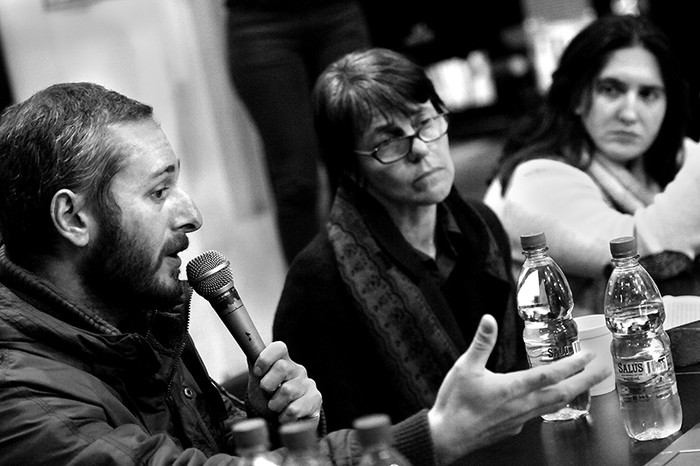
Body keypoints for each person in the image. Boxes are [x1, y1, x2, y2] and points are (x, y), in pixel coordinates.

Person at [0, 82, 606, 465]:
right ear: (73, 218)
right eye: (160, 191)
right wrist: (435, 435)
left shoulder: (132, 312)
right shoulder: (22, 400)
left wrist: (265, 422)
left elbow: (214, 444)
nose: (191, 213)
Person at [273, 47, 528, 432]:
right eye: (389, 141)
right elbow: (330, 437)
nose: (422, 149)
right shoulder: (319, 279)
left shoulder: (481, 226)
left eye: (425, 121)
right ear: (351, 166)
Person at [484, 14, 700, 315]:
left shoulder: (663, 157)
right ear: (575, 97)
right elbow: (650, 255)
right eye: (611, 89)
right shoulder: (536, 179)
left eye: (648, 94)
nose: (629, 113)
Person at [224, 0, 372, 265]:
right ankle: (311, 296)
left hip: (337, 16)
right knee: (295, 183)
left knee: (352, 166)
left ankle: (367, 281)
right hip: (258, 25)